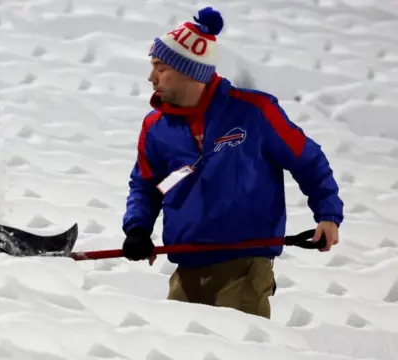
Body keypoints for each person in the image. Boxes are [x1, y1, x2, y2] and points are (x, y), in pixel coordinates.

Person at [121, 6, 344, 319]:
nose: (151, 76)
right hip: (186, 266)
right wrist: (137, 229)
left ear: (189, 69)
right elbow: (146, 185)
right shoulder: (155, 127)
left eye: (160, 67)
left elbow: (308, 160)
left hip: (245, 265)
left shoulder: (254, 112)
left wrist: (328, 214)